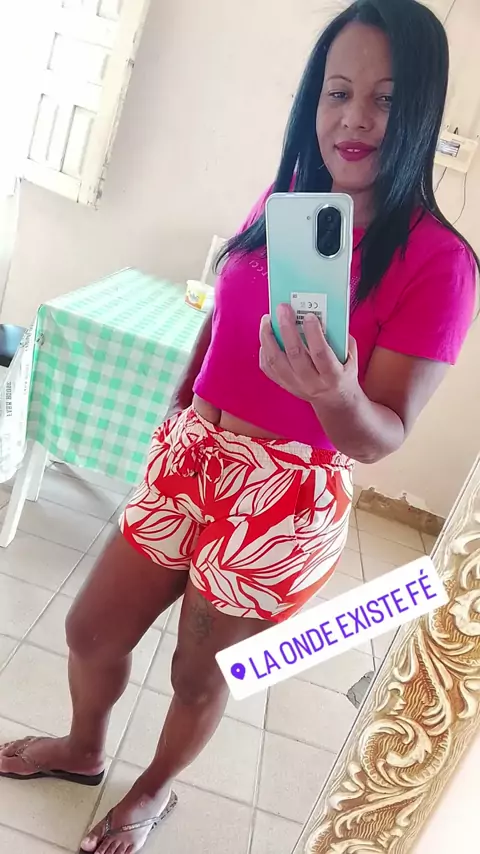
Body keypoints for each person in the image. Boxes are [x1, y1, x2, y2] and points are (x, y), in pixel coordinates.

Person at [1, 0, 478, 851]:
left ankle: (152, 791)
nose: (355, 118)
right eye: (338, 92)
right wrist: (183, 399)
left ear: (423, 109)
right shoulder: (289, 196)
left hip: (284, 494)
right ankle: (83, 748)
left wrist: (336, 393)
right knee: (90, 630)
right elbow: (226, 308)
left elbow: (382, 435)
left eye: (386, 99)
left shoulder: (440, 262)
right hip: (194, 455)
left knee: (197, 674)